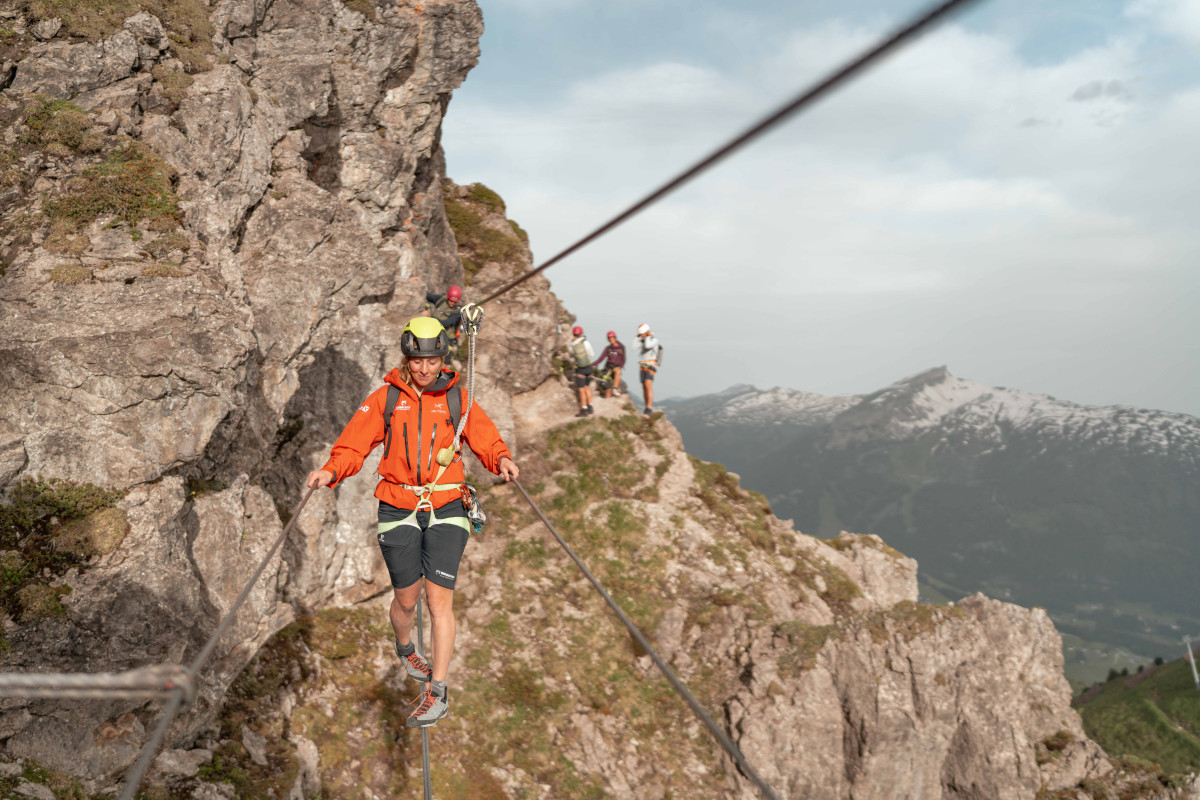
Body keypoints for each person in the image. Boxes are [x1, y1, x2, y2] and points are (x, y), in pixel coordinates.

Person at [306, 317, 519, 728]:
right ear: (407, 358)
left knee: (439, 602)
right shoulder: (386, 399)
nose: (424, 368)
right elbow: (354, 443)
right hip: (398, 505)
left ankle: (437, 691)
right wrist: (331, 471)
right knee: (406, 600)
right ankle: (406, 649)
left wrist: (502, 459)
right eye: (417, 360)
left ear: (442, 358)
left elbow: (485, 437)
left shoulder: (457, 399)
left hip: (446, 506)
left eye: (433, 359)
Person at [422, 285, 464, 352]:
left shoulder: (457, 311)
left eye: (455, 302)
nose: (452, 303)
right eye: (451, 301)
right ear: (448, 297)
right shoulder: (441, 300)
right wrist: (415, 284)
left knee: (445, 361)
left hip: (447, 339)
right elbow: (427, 295)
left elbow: (445, 323)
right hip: (434, 334)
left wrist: (430, 316)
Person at [568, 325, 595, 416]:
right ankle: (590, 406)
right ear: (581, 334)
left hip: (580, 369)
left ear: (573, 334)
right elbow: (591, 354)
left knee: (581, 389)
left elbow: (571, 355)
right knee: (587, 387)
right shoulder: (586, 343)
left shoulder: (572, 345)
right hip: (589, 367)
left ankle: (584, 409)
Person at [591, 330, 626, 398]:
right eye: (609, 338)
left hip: (616, 367)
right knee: (608, 386)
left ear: (615, 338)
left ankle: (615, 389)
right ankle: (608, 400)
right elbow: (601, 358)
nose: (611, 340)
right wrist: (592, 364)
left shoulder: (621, 347)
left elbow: (623, 359)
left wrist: (620, 366)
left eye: (612, 338)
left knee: (618, 371)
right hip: (608, 368)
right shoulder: (608, 348)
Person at [635, 322, 661, 415]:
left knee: (647, 384)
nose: (641, 336)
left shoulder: (653, 340)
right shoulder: (642, 340)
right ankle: (646, 406)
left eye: (641, 334)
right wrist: (638, 338)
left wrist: (647, 337)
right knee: (644, 386)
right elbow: (634, 347)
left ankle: (649, 407)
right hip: (643, 365)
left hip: (651, 364)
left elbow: (647, 346)